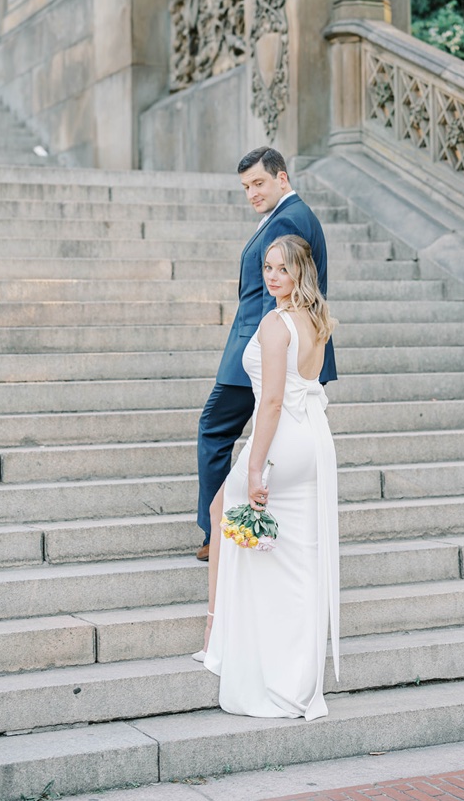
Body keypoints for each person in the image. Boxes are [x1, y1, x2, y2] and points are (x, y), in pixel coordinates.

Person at [198, 234, 341, 719]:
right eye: (267, 268)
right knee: (297, 556)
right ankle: (295, 674)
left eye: (282, 269)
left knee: (244, 527)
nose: (272, 277)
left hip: (282, 441)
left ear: (301, 272)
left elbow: (274, 402)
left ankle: (233, 643)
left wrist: (255, 465)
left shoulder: (276, 323)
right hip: (313, 441)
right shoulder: (318, 320)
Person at [195, 146, 336, 562]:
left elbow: (277, 290)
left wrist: (258, 355)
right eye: (245, 187)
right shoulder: (290, 215)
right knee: (269, 442)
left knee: (215, 431)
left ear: (283, 179)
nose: (252, 193)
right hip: (285, 347)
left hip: (264, 352)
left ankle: (215, 533)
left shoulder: (290, 219)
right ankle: (252, 524)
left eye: (259, 183)